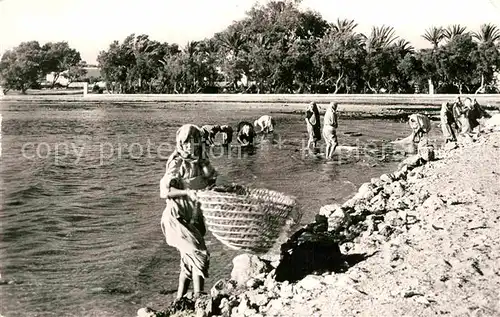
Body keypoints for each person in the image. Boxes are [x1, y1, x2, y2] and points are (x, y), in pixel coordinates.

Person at [159, 124, 217, 299]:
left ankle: (179, 299)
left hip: (194, 217)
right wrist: (187, 192)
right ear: (182, 143)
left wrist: (213, 187)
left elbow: (211, 179)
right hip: (178, 219)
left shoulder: (201, 161)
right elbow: (165, 192)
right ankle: (199, 297)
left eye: (196, 141)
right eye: (188, 142)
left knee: (188, 260)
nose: (192, 145)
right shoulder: (177, 162)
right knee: (199, 253)